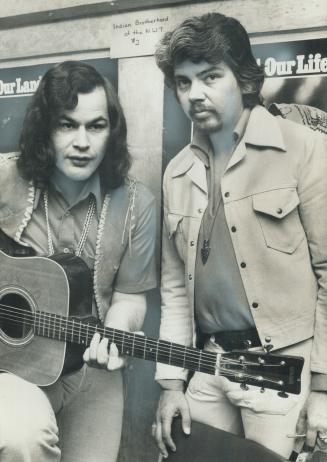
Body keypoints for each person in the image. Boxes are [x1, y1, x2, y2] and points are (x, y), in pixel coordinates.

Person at [152, 12, 327, 460]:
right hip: (210, 364)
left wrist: (324, 390)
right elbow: (174, 289)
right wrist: (172, 383)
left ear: (246, 80)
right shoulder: (176, 173)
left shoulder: (305, 150)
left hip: (286, 369)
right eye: (184, 82)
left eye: (210, 77)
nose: (195, 94)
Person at [0, 60, 156, 462]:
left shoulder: (138, 203)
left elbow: (131, 297)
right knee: (23, 439)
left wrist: (115, 336)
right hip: (13, 364)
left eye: (96, 126)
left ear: (112, 131)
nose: (82, 142)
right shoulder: (4, 181)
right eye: (67, 125)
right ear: (45, 129)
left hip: (91, 368)